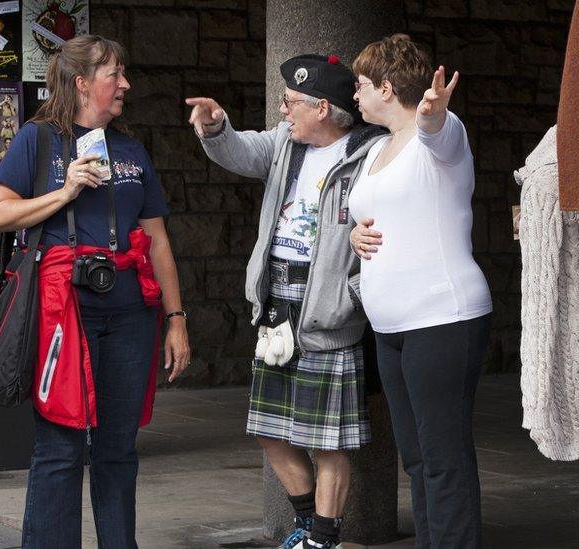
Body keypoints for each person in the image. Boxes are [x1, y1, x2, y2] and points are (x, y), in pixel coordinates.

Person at [0, 35, 190, 549]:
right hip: (63, 312)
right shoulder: (38, 139)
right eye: (113, 75)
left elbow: (157, 238)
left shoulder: (130, 147)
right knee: (61, 445)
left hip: (129, 315)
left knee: (118, 447)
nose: (125, 85)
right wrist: (65, 191)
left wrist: (177, 318)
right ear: (81, 83)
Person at [186, 53, 386, 549]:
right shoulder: (285, 145)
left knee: (328, 436)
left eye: (291, 102)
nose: (282, 110)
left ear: (323, 108)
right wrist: (215, 127)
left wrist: (353, 294)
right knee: (268, 426)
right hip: (278, 298)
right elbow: (238, 150)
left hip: (328, 304)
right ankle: (306, 523)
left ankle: (324, 537)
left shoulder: (371, 156)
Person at [348, 34, 492, 549]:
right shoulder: (376, 150)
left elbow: (436, 131)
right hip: (390, 327)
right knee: (416, 458)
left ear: (387, 87)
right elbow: (372, 213)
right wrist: (352, 233)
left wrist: (432, 113)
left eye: (361, 85)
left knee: (443, 457)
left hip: (442, 319)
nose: (355, 95)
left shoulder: (443, 134)